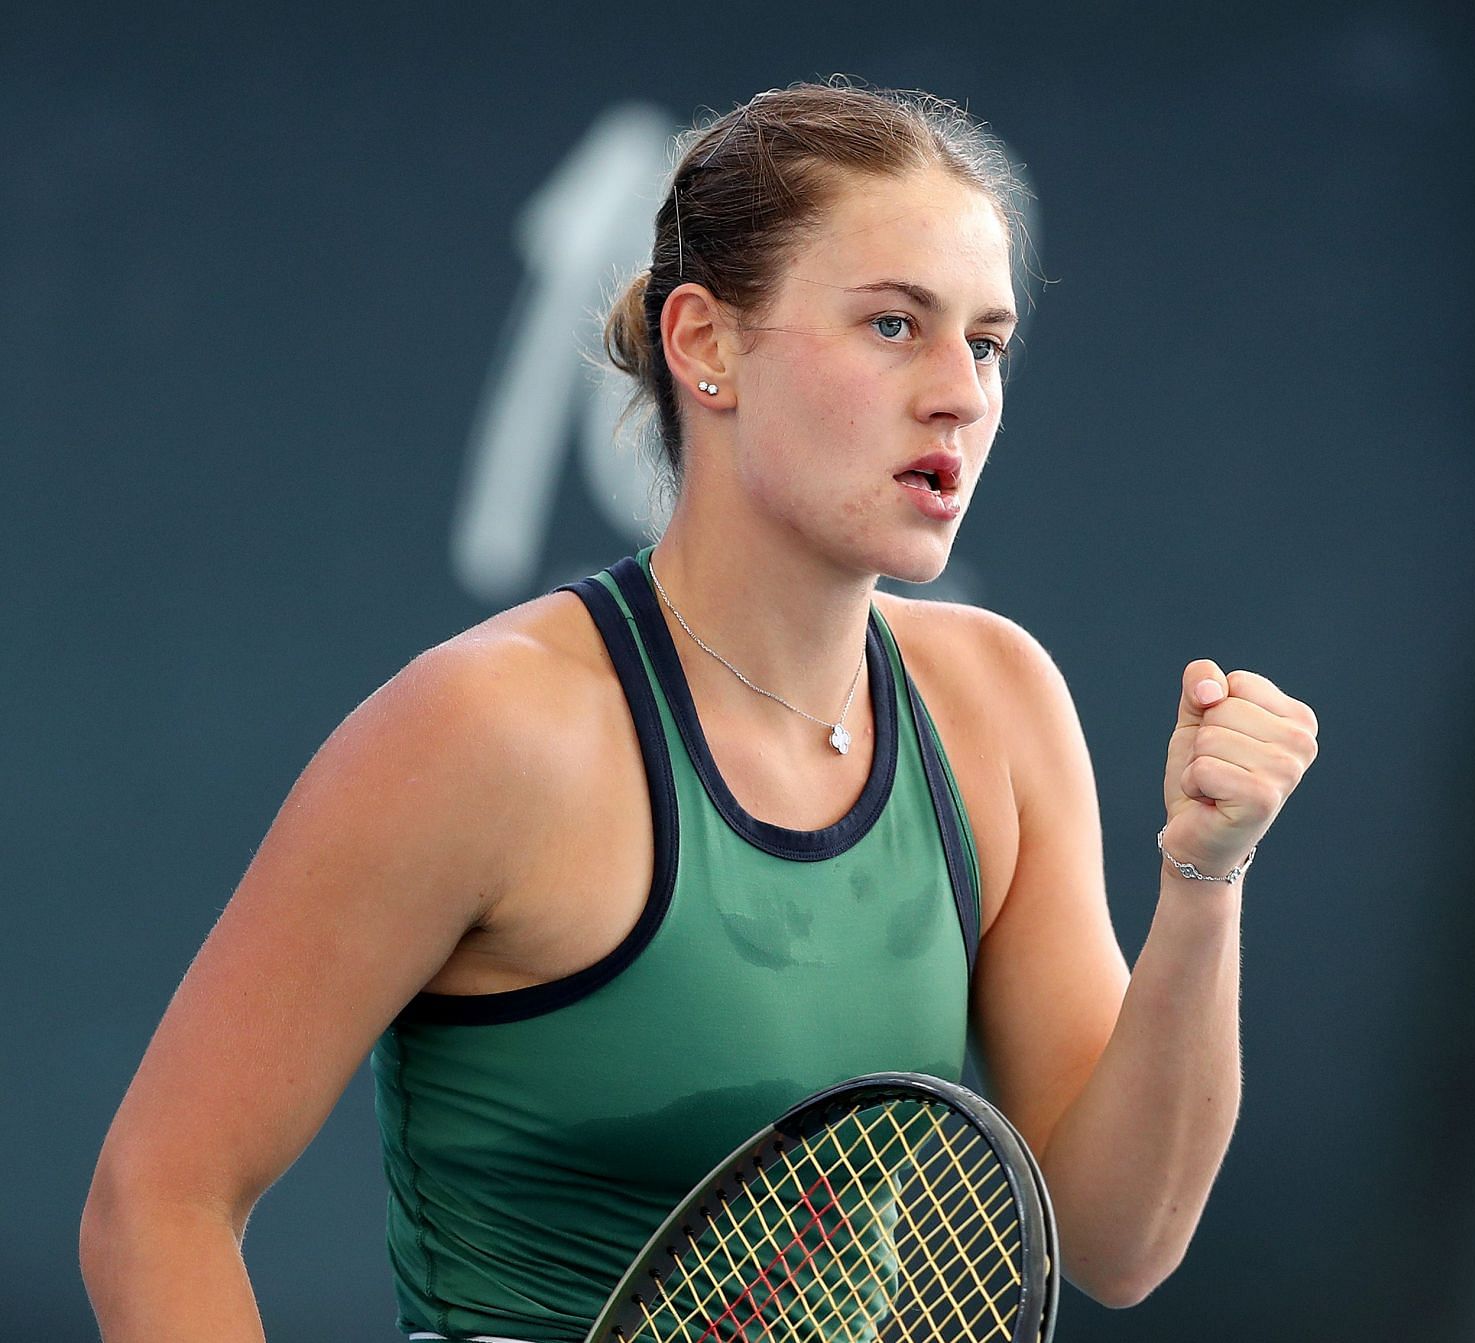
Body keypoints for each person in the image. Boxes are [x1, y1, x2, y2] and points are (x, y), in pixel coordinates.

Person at [79, 78, 1320, 1342]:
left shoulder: (998, 703)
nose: (962, 392)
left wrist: (1203, 877)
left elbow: (1119, 1239)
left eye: (986, 341)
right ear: (706, 345)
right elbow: (157, 1200)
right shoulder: (486, 728)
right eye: (895, 325)